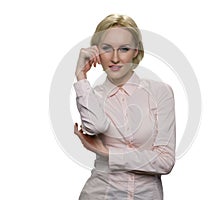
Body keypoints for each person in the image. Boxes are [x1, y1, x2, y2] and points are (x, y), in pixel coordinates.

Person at [73, 14, 176, 200]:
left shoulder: (160, 92)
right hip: (100, 194)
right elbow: (95, 127)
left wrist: (108, 153)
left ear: (135, 51)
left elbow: (165, 162)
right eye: (106, 48)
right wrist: (81, 75)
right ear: (96, 51)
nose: (114, 58)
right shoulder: (91, 95)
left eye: (124, 49)